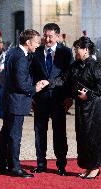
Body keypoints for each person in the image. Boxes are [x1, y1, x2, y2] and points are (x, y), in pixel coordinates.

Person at [57, 36, 101, 179]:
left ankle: (95, 168)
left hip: (95, 107)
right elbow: (64, 80)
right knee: (83, 136)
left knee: (94, 136)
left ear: (86, 50)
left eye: (77, 49)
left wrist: (88, 95)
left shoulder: (95, 65)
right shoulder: (75, 65)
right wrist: (47, 83)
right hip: (82, 107)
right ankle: (89, 167)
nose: (75, 51)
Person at [0, 29, 48, 178]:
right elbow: (21, 83)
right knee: (14, 135)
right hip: (16, 101)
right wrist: (35, 88)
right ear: (28, 42)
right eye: (37, 42)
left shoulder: (13, 52)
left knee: (6, 132)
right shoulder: (20, 57)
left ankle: (2, 165)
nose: (38, 45)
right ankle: (14, 167)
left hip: (10, 100)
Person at [30, 23, 73, 176]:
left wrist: (69, 97)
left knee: (59, 133)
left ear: (58, 36)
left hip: (58, 99)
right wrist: (32, 96)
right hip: (40, 99)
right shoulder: (36, 51)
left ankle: (61, 165)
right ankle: (41, 164)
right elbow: (32, 75)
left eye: (50, 36)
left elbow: (68, 76)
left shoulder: (66, 52)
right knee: (39, 132)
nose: (47, 39)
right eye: (45, 36)